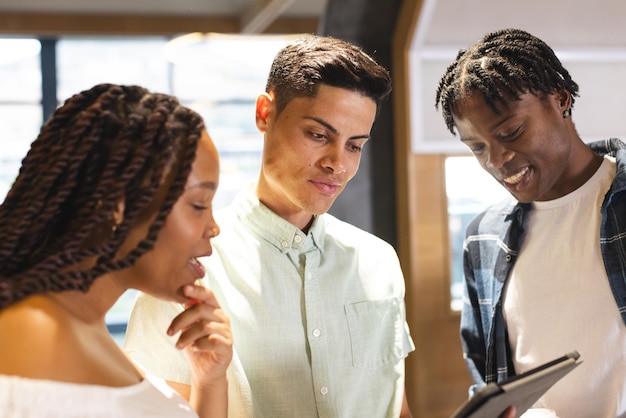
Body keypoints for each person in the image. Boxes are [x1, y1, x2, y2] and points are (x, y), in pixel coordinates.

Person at [124, 35, 415, 417]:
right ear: (265, 113)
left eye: (355, 145)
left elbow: (396, 408)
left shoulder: (378, 260)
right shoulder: (186, 270)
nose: (337, 163)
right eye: (318, 135)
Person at [0, 83, 232, 417]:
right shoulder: (34, 339)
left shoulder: (85, 330)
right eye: (198, 204)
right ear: (120, 206)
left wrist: (209, 382)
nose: (214, 227)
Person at [435, 28, 626, 417]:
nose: (497, 160)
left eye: (511, 132)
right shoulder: (483, 239)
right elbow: (490, 381)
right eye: (478, 148)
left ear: (560, 99)